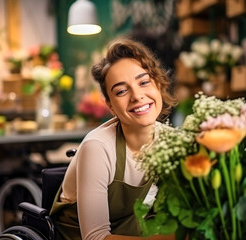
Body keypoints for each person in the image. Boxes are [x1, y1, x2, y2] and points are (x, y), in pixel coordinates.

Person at [50, 37, 177, 240]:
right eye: (121, 91)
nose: (137, 95)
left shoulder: (173, 142)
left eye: (144, 82)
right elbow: (95, 237)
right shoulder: (98, 147)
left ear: (158, 86)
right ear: (110, 106)